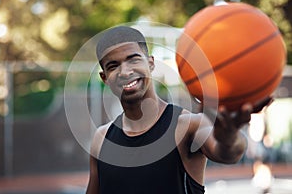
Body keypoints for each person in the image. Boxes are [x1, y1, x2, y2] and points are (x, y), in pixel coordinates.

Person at [86, 26, 272, 194]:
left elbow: (227, 153)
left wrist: (229, 136)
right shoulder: (102, 139)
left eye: (133, 60)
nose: (125, 72)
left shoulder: (187, 125)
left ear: (150, 63)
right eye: (113, 66)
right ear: (105, 78)